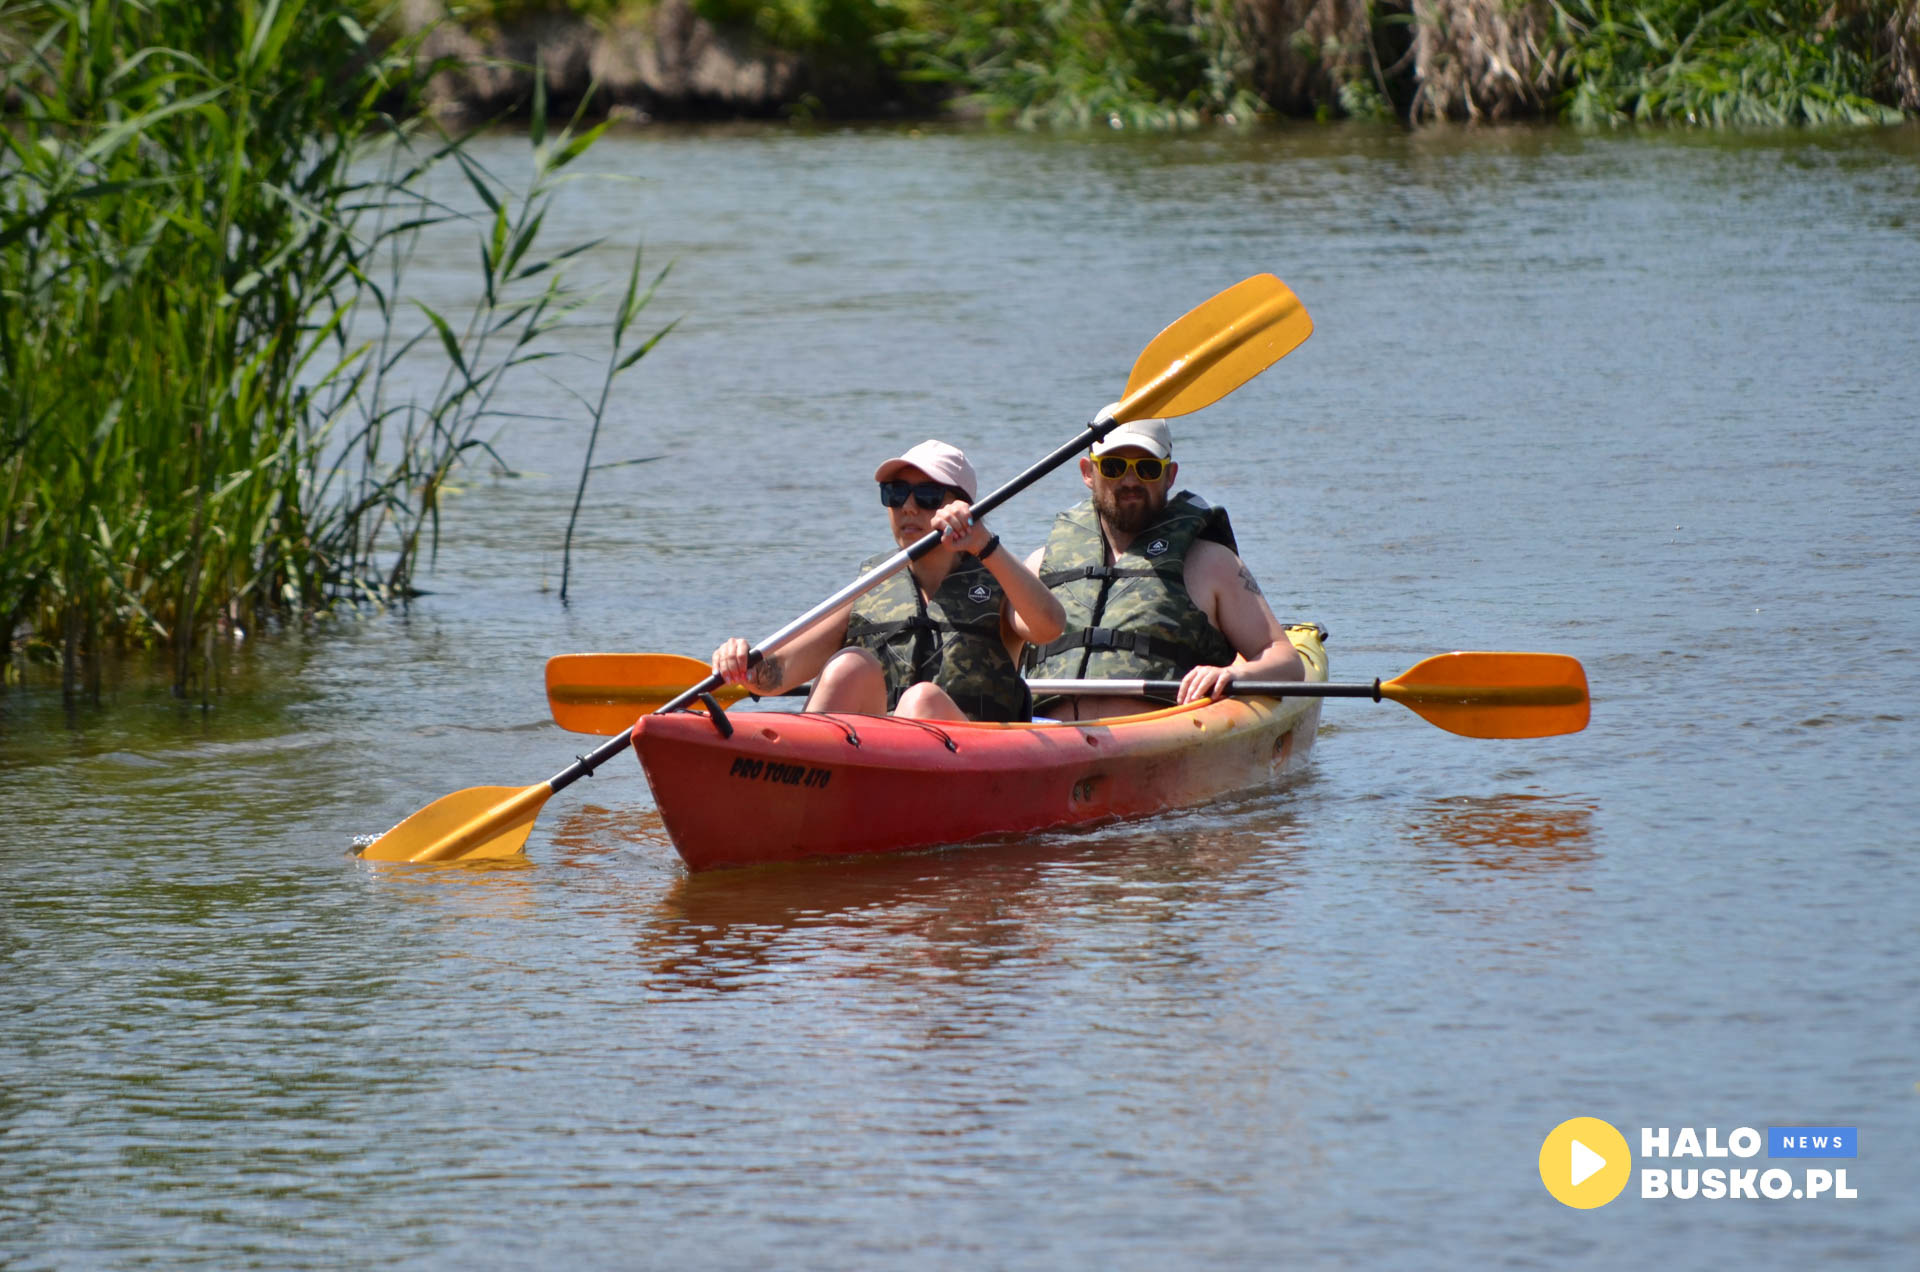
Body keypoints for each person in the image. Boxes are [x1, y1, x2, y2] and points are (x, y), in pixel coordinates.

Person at [711, 440, 1064, 722]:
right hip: (882, 761)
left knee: (922, 699)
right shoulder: (870, 588)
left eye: (926, 496)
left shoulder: (1000, 581)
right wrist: (745, 665)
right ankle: (797, 786)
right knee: (850, 665)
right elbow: (778, 673)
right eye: (895, 494)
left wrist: (985, 544)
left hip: (975, 762)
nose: (908, 507)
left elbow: (1050, 627)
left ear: (961, 507)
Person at [1022, 413, 1305, 720]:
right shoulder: (1041, 566)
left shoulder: (1212, 563)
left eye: (1146, 469)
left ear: (1169, 476)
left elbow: (1288, 662)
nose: (1130, 481)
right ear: (1088, 472)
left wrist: (1237, 677)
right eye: (1114, 467)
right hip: (1047, 738)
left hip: (1161, 737)